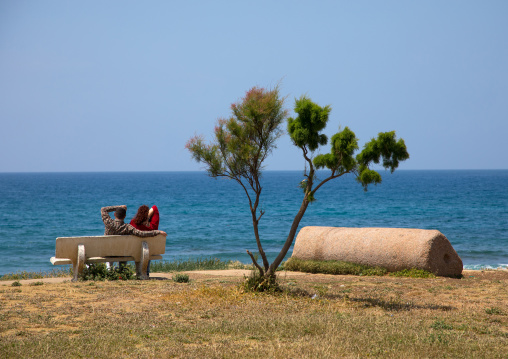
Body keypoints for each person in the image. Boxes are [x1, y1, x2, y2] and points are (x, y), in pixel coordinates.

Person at [101, 205, 166, 273]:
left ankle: (109, 270)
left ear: (114, 214)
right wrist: (157, 232)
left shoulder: (108, 223)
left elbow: (103, 209)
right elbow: (142, 233)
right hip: (121, 253)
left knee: (112, 249)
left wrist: (119, 207)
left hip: (108, 252)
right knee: (123, 251)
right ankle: (122, 271)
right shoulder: (128, 227)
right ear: (125, 216)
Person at [130, 205, 160, 276]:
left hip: (133, 250)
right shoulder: (152, 227)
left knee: (139, 248)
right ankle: (146, 273)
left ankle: (139, 273)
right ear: (148, 215)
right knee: (147, 247)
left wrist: (141, 218)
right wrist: (147, 217)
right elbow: (155, 207)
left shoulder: (133, 223)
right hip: (147, 251)